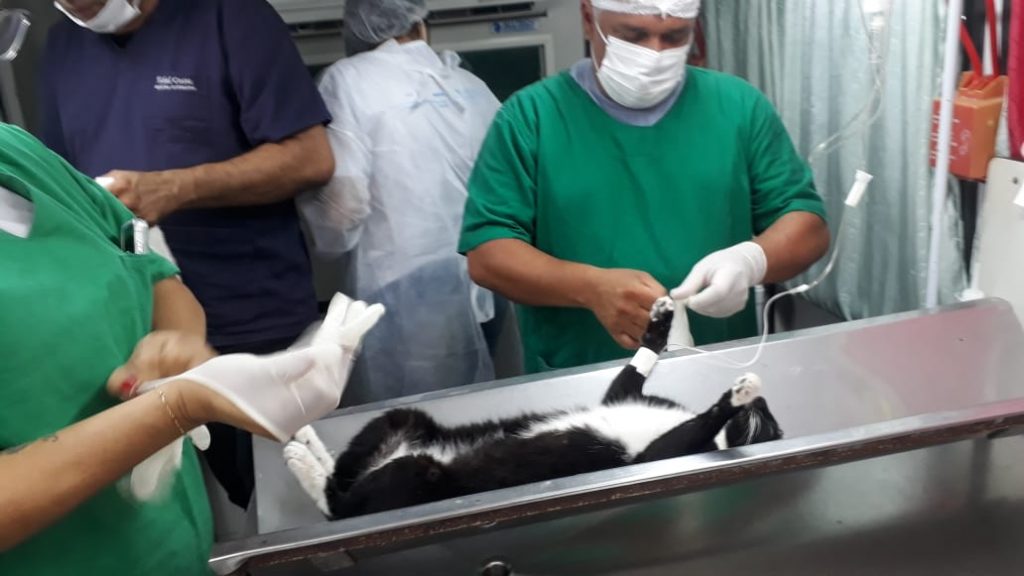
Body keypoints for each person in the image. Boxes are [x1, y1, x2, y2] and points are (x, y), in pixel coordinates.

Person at [0, 18, 382, 572]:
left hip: (172, 544)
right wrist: (176, 405)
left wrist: (176, 344)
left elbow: (147, 264)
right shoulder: (66, 48)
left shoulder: (18, 158)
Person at [40, 0, 335, 511]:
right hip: (135, 338)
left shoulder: (230, 17)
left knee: (295, 504)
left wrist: (178, 187)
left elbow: (311, 156)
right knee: (177, 508)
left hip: (252, 320)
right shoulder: (65, 46)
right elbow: (58, 183)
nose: (78, 9)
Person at [459, 0, 831, 374]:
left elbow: (807, 226)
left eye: (674, 36)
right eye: (632, 35)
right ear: (589, 19)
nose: (655, 53)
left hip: (717, 370)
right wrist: (590, 288)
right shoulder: (531, 118)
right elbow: (489, 255)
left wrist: (750, 261)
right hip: (579, 380)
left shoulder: (738, 107)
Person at [300, 0, 502, 405]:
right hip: (488, 287)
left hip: (405, 296)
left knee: (410, 431)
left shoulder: (348, 81)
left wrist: (318, 245)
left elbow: (342, 209)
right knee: (474, 418)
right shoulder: (471, 86)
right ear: (421, 22)